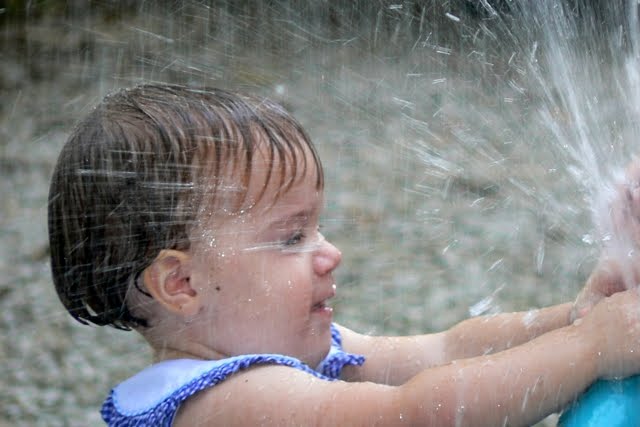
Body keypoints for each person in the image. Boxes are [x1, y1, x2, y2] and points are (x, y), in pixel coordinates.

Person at [48, 84, 640, 426]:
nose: (330, 252)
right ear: (182, 284)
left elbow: (447, 349)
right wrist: (590, 348)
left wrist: (575, 317)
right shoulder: (225, 402)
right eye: (291, 237)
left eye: (317, 227)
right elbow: (416, 414)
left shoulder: (290, 352)